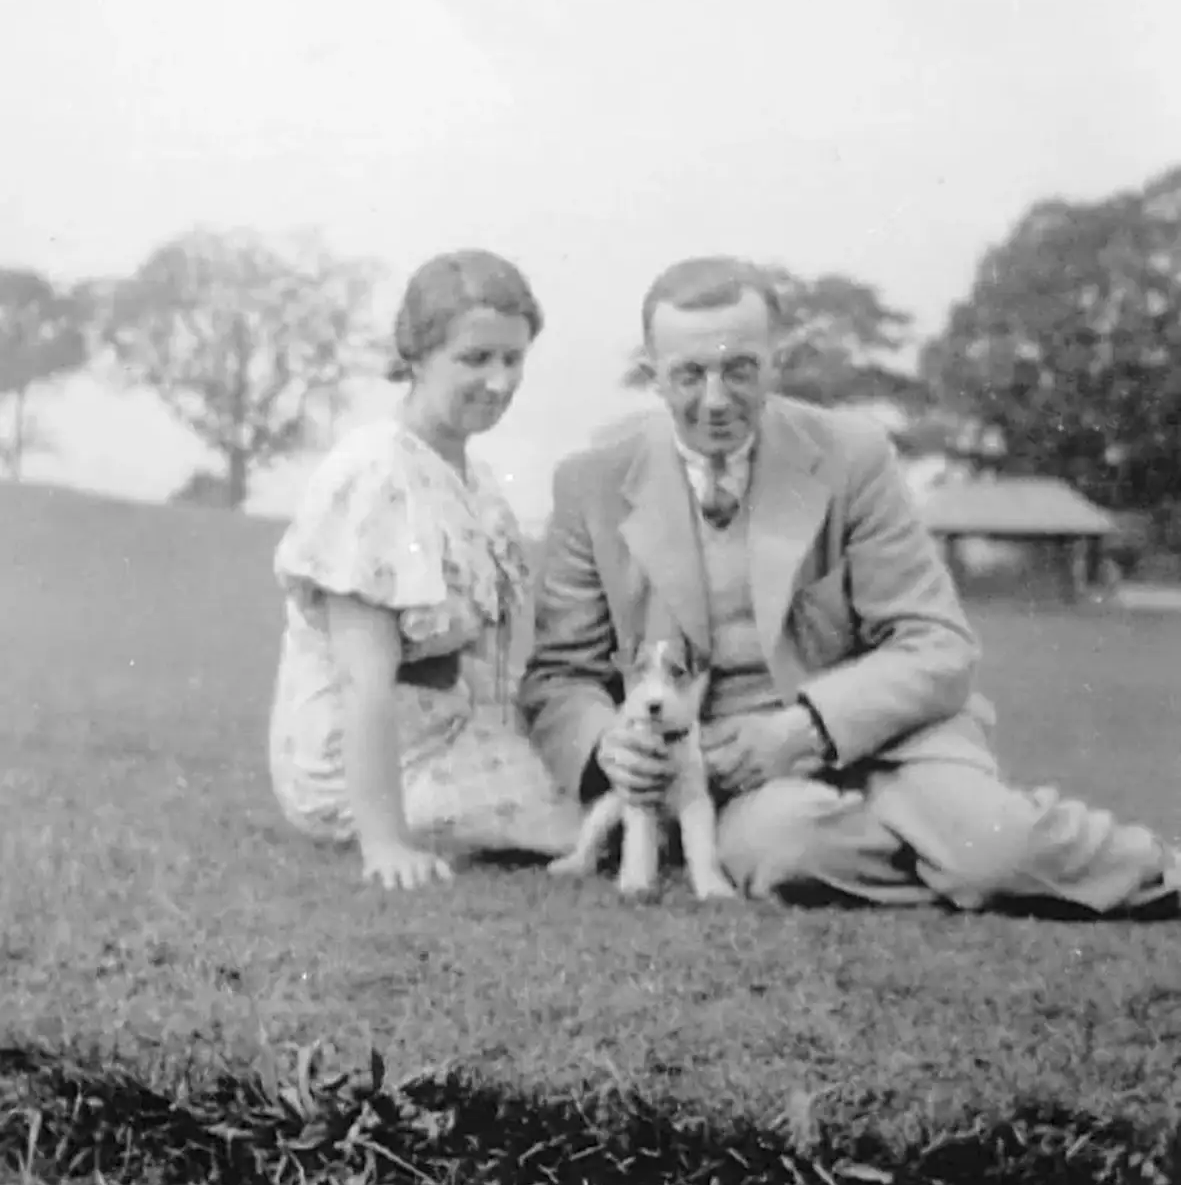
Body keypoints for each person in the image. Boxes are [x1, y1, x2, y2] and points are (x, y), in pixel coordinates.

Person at [519, 256, 1180, 917]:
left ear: (777, 360)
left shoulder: (852, 454)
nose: (715, 399)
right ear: (652, 373)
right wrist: (609, 746)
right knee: (786, 854)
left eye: (739, 368)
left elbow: (936, 644)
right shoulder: (591, 484)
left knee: (991, 848)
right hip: (734, 780)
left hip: (896, 742)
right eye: (689, 374)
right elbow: (560, 676)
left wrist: (804, 729)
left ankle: (1133, 866)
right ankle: (966, 859)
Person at [268, 249, 581, 890]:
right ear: (416, 354)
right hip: (356, 765)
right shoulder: (376, 474)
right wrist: (386, 843)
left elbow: (487, 667)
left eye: (512, 359)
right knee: (584, 819)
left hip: (454, 730)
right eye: (474, 359)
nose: (498, 382)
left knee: (596, 763)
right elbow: (363, 683)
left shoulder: (478, 483)